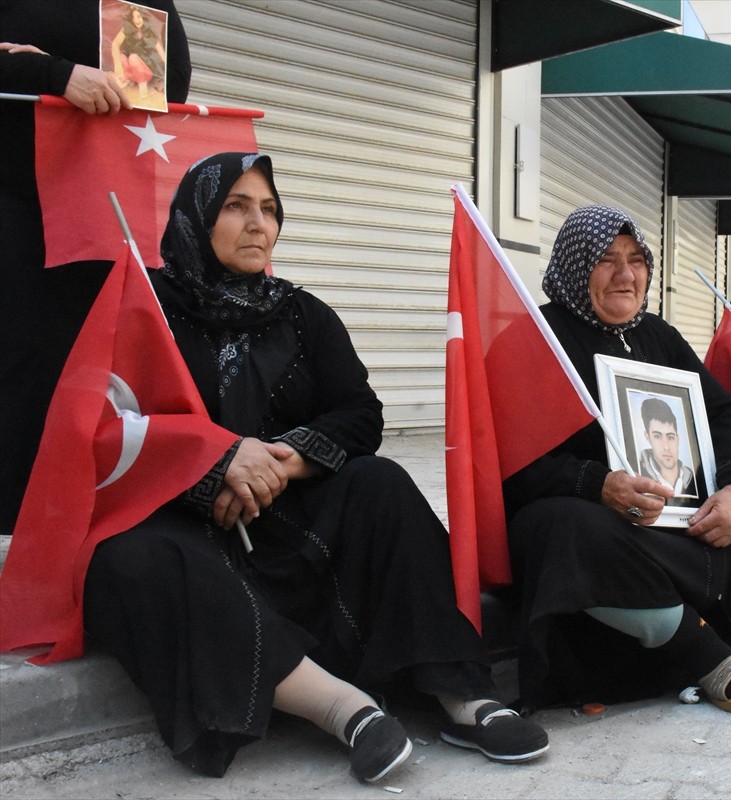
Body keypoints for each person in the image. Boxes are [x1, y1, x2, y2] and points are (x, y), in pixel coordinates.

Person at [78, 153, 548, 782]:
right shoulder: (144, 310)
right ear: (196, 218)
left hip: (288, 518)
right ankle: (346, 711)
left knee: (380, 484)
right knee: (127, 562)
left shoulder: (302, 314)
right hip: (187, 522)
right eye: (237, 207)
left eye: (269, 210)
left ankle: (461, 694)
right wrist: (212, 464)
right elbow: (105, 427)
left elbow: (360, 414)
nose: (258, 225)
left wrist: (283, 460)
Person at [503, 204, 731, 713]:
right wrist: (598, 484)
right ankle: (701, 652)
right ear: (575, 266)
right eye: (606, 260)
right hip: (594, 518)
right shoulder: (536, 341)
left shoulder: (657, 335)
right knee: (561, 526)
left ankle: (726, 637)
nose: (626, 275)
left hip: (663, 517)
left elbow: (726, 417)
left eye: (637, 259)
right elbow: (514, 464)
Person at [0, 0, 190, 534]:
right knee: (15, 362)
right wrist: (54, 73)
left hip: (97, 198)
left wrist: (85, 78)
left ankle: (69, 525)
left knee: (89, 368)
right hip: (13, 197)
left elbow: (169, 83)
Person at [636, 397, 698, 505]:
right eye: (657, 436)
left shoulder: (695, 479)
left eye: (670, 437)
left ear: (677, 439)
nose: (666, 447)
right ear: (647, 437)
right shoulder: (636, 474)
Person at [111, 5, 166, 100]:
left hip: (147, 70)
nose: (136, 20)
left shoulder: (150, 33)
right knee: (122, 57)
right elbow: (115, 44)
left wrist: (166, 73)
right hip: (133, 70)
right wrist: (118, 66)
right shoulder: (127, 29)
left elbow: (161, 53)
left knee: (133, 57)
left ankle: (142, 84)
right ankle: (126, 79)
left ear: (143, 17)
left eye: (139, 16)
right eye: (133, 17)